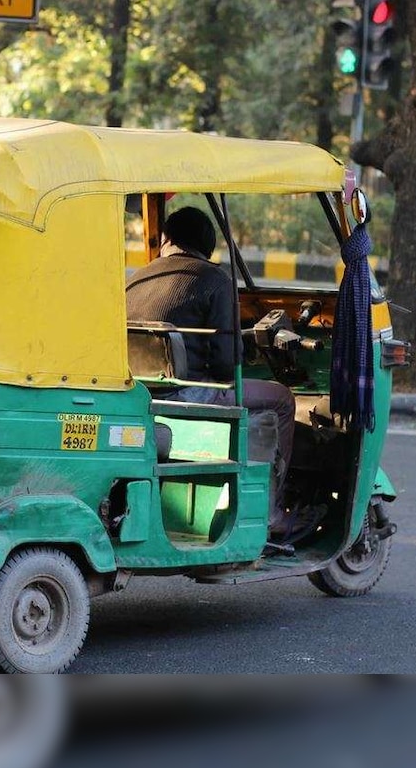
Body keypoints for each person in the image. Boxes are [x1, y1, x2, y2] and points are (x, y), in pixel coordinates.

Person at [125, 206, 316, 542]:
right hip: (188, 394)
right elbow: (228, 366)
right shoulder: (214, 281)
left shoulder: (136, 279)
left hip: (139, 394)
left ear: (167, 239)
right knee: (282, 400)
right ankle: (273, 513)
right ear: (207, 247)